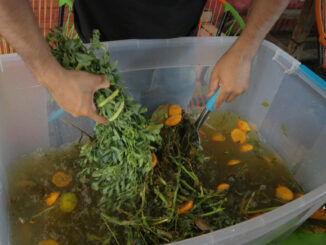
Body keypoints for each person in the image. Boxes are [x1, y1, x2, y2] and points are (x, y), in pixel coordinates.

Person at [0, 0, 290, 125]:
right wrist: (50, 76)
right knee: (114, 128)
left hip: (182, 42)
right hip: (104, 51)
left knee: (174, 115)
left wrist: (246, 50)